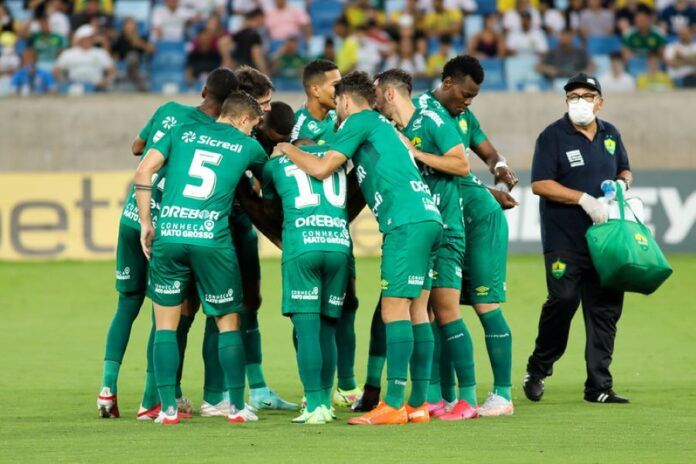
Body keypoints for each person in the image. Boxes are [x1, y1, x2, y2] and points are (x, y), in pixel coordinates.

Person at [275, 71, 444, 425]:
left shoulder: (360, 120)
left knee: (393, 311)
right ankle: (419, 404)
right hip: (428, 218)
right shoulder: (386, 128)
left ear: (346, 101)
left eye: (337, 104)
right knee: (418, 311)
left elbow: (322, 168)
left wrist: (287, 148)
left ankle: (394, 405)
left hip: (405, 223)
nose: (335, 111)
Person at [97, 68, 240, 420]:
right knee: (165, 310)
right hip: (169, 225)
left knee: (126, 304)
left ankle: (107, 389)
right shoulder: (210, 133)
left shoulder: (168, 110)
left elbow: (137, 148)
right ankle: (150, 400)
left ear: (204, 89)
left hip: (133, 215)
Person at [134, 90, 267, 425]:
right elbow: (268, 186)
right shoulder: (248, 146)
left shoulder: (180, 131)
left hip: (170, 234)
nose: (252, 132)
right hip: (213, 240)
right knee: (227, 322)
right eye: (252, 125)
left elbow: (143, 171)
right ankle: (235, 408)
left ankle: (166, 410)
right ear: (241, 119)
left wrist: (147, 223)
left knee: (165, 325)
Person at [375, 68, 483, 421]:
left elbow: (461, 164)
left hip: (447, 227)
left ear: (390, 94)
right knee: (425, 311)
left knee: (447, 308)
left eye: (377, 94)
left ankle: (467, 398)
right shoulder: (398, 129)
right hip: (422, 227)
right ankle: (432, 397)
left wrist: (417, 155)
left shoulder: (431, 118)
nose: (375, 102)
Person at [414, 56, 518, 416]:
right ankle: (444, 394)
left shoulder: (461, 117)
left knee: (485, 305)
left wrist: (500, 167)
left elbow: (486, 154)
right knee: (442, 308)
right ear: (446, 82)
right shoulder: (423, 113)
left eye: (474, 96)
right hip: (453, 220)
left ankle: (502, 395)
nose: (469, 101)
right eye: (466, 93)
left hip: (481, 222)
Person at [524, 72, 633, 405]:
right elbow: (540, 184)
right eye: (573, 96)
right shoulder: (553, 136)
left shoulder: (611, 134)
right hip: (564, 239)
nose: (579, 102)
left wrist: (622, 186)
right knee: (564, 300)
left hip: (605, 240)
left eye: (586, 96)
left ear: (600, 101)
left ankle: (599, 386)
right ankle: (538, 368)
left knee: (605, 310)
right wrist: (583, 199)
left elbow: (624, 169)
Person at [261, 140, 352, 424]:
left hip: (302, 246)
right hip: (339, 247)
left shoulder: (277, 164)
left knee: (308, 331)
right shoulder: (337, 164)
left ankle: (312, 405)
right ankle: (326, 403)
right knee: (328, 330)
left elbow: (269, 203)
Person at [291, 60, 364, 408]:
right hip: (306, 233)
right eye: (335, 85)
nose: (341, 90)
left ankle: (347, 386)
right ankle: (314, 390)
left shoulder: (346, 120)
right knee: (307, 315)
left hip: (337, 234)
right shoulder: (296, 125)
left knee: (346, 308)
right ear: (315, 89)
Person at [233, 66, 298, 411]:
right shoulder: (230, 135)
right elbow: (251, 199)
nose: (269, 109)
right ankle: (218, 396)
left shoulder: (260, 136)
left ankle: (257, 389)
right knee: (218, 310)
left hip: (241, 225)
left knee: (249, 303)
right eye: (265, 103)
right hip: (216, 229)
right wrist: (281, 237)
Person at [53, 24, 115, 91]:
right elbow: (56, 70)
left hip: (97, 87)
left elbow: (112, 70)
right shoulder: (68, 53)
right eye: (85, 38)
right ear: (80, 39)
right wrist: (64, 82)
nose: (88, 40)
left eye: (90, 38)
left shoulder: (101, 53)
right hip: (74, 87)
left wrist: (106, 80)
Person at [111, 17, 154, 91]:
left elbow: (152, 50)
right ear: (123, 27)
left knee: (133, 56)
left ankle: (132, 74)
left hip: (138, 65)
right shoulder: (119, 39)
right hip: (124, 66)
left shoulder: (141, 38)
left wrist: (140, 44)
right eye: (128, 25)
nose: (130, 27)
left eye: (133, 25)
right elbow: (112, 54)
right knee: (131, 56)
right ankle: (138, 82)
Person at [231, 8, 268, 74]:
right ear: (258, 18)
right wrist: (265, 73)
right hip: (250, 70)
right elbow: (256, 54)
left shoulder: (240, 33)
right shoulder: (255, 35)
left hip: (238, 68)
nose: (264, 21)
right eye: (263, 18)